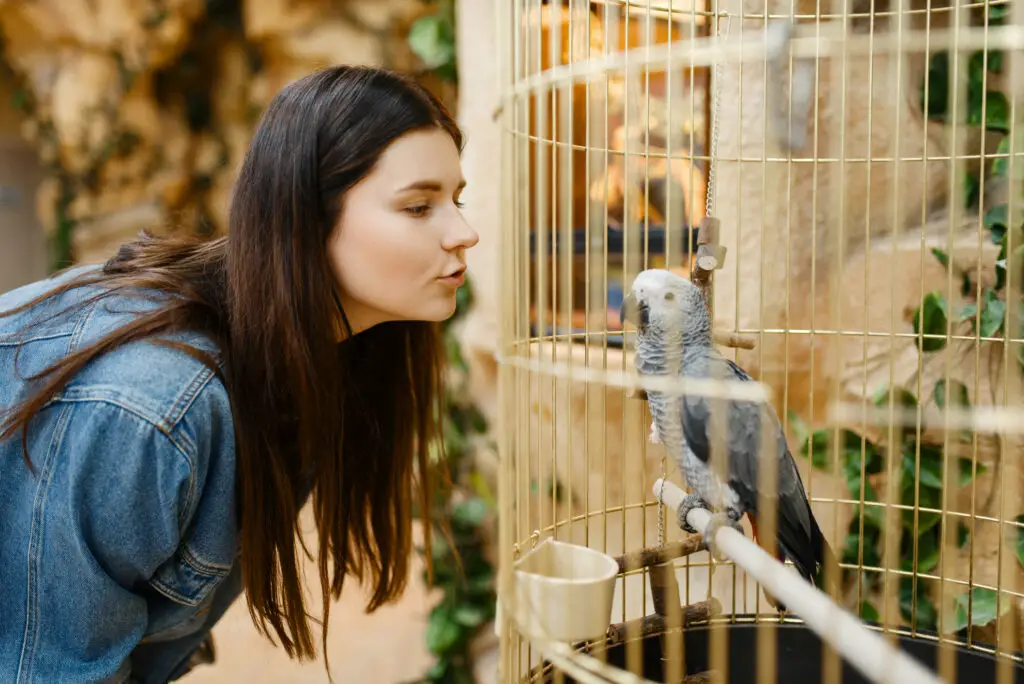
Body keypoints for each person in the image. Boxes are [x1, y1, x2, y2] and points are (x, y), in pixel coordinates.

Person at [0, 64, 479, 683]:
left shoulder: (307, 355)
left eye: (456, 200)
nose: (463, 233)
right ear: (305, 217)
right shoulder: (151, 406)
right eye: (418, 207)